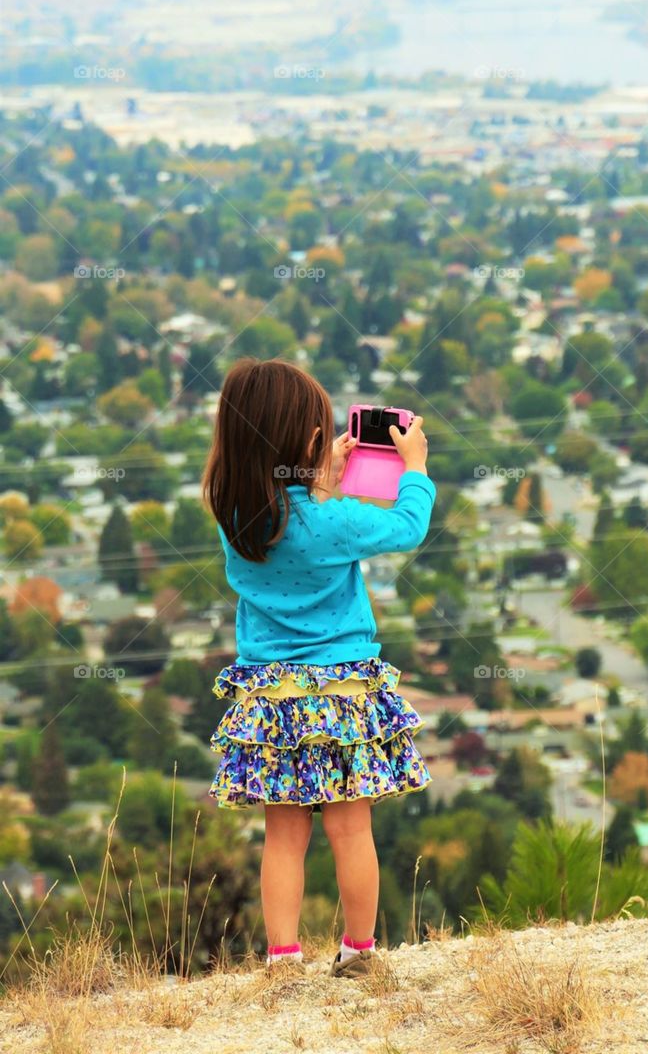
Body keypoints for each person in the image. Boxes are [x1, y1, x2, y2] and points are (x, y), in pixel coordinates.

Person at [202, 358, 435, 978]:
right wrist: (413, 468)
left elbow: (293, 520)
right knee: (350, 829)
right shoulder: (334, 522)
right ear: (308, 440)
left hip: (271, 698)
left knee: (283, 835)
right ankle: (359, 954)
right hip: (343, 694)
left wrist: (317, 476)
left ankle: (283, 959)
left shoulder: (236, 519)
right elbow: (408, 526)